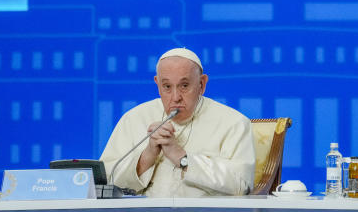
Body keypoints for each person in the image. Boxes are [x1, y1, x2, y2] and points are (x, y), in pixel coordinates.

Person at [99, 48, 255, 197]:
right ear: (157, 84)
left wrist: (183, 158)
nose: (175, 97)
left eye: (184, 86)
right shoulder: (133, 119)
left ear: (202, 84)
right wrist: (146, 158)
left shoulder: (234, 122)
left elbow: (242, 185)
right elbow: (105, 179)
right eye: (167, 86)